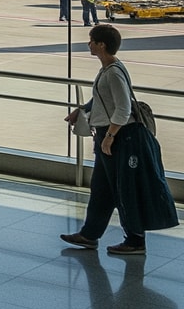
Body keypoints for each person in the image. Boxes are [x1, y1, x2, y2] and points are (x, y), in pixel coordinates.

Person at [61, 24, 167, 255]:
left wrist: (109, 137)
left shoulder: (114, 73)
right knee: (101, 188)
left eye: (91, 40)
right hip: (108, 137)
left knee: (123, 188)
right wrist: (82, 110)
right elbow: (102, 100)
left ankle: (135, 239)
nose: (88, 44)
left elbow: (123, 108)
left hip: (121, 138)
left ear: (102, 45)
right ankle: (90, 234)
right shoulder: (108, 69)